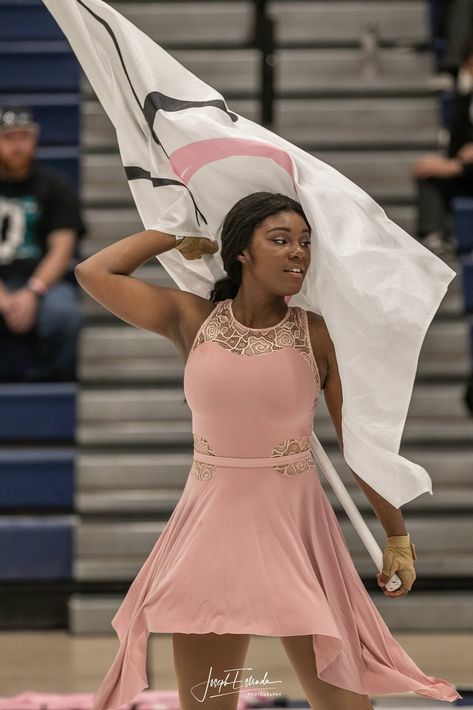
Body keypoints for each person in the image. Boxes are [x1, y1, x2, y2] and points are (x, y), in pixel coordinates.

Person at [75, 192, 460, 710]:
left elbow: (359, 441)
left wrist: (397, 534)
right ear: (241, 253)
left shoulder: (317, 334)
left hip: (296, 531)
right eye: (279, 241)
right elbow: (95, 272)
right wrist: (174, 234)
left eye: (304, 242)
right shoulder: (192, 319)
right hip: (211, 533)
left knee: (348, 707)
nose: (297, 252)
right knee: (208, 705)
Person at [0, 105, 86, 382]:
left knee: (65, 315)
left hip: (42, 282)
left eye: (24, 137)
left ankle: (51, 387)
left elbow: (63, 248)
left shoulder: (55, 187)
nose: (18, 145)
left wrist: (33, 292)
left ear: (35, 141)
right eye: (9, 138)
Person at [413, 33, 473, 257]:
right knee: (428, 171)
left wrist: (457, 167)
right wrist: (448, 164)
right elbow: (456, 150)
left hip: (467, 171)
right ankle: (434, 238)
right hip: (467, 173)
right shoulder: (465, 100)